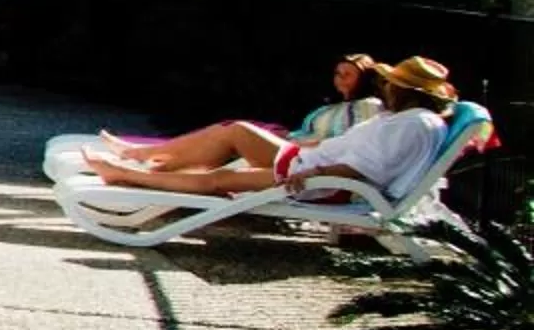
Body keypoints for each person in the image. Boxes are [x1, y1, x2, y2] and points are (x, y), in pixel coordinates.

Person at [85, 57, 460, 202]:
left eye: (392, 84)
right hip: (311, 164)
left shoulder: (412, 124)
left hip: (322, 180)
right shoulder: (404, 119)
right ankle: (138, 160)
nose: (386, 87)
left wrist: (315, 170)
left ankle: (127, 172)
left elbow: (366, 168)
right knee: (234, 133)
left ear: (405, 91)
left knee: (221, 178)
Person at [93, 54, 389, 174]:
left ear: (364, 78)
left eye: (347, 75)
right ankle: (151, 161)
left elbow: (349, 142)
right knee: (226, 131)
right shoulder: (331, 107)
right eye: (337, 73)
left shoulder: (368, 107)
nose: (339, 80)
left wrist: (300, 142)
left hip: (309, 157)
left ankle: (143, 159)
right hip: (297, 147)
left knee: (235, 131)